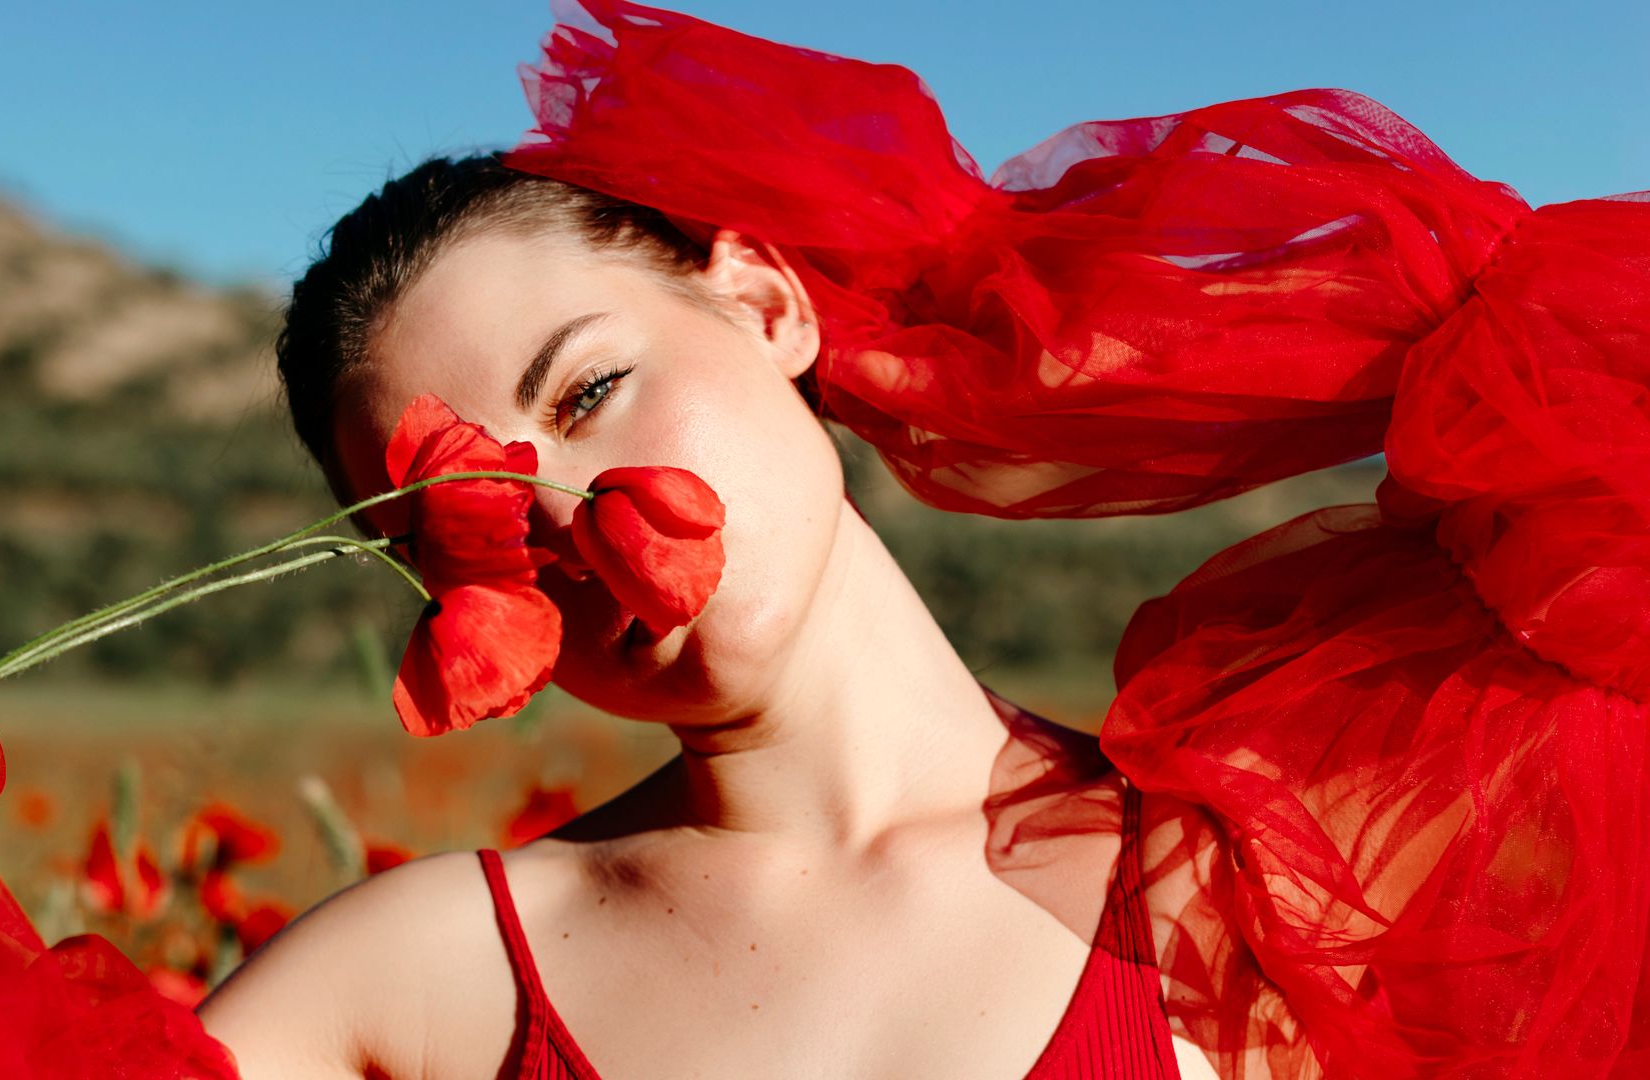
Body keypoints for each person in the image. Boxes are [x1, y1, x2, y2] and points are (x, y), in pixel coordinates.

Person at [202, 2, 1650, 1077]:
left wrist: (1050, 350)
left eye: (590, 391)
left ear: (765, 306)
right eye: (472, 521)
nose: (575, 519)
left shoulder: (1258, 892)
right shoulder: (412, 978)